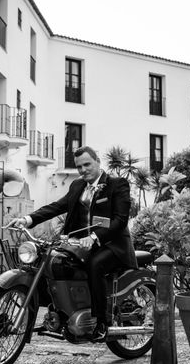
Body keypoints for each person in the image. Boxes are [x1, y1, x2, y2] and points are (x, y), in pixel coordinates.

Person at [8, 146, 136, 341]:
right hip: (80, 244)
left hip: (112, 244)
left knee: (96, 264)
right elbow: (57, 207)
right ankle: (62, 312)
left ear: (97, 161)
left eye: (87, 164)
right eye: (79, 167)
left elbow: (120, 221)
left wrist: (93, 237)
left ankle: (102, 323)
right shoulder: (77, 185)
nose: (83, 170)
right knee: (53, 261)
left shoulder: (117, 185)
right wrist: (27, 219)